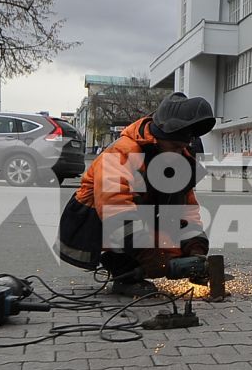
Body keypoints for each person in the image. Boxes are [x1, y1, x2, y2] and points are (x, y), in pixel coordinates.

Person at [57, 92, 215, 293]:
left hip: (132, 218)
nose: (178, 153)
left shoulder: (177, 160)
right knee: (131, 223)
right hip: (94, 222)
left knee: (174, 242)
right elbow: (116, 210)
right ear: (159, 138)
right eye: (175, 147)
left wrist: (195, 248)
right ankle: (122, 268)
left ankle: (136, 262)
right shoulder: (122, 153)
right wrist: (151, 256)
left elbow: (185, 211)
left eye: (182, 148)